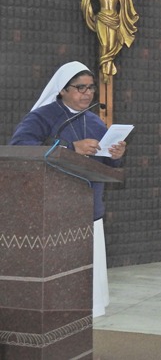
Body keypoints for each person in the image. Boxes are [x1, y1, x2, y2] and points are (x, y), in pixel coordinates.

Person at [9, 61, 127, 317]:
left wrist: (116, 155)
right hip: (53, 209)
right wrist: (71, 147)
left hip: (88, 206)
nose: (87, 93)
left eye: (91, 88)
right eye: (80, 88)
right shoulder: (43, 116)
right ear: (62, 89)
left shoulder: (95, 122)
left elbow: (105, 164)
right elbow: (20, 145)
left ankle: (89, 311)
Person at [65, 0, 157, 81]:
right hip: (102, 18)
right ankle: (105, 72)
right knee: (104, 45)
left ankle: (107, 70)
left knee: (112, 45)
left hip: (114, 19)